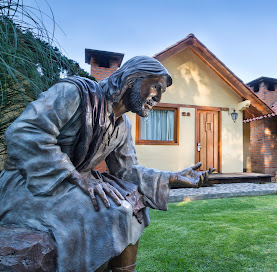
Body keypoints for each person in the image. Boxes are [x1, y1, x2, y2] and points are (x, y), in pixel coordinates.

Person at [0, 56, 211, 272]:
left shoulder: (123, 125)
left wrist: (172, 177)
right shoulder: (75, 93)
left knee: (134, 206)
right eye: (156, 86)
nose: (157, 97)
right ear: (132, 79)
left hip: (73, 185)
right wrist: (77, 178)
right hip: (31, 183)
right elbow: (24, 132)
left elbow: (126, 170)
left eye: (162, 92)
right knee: (105, 212)